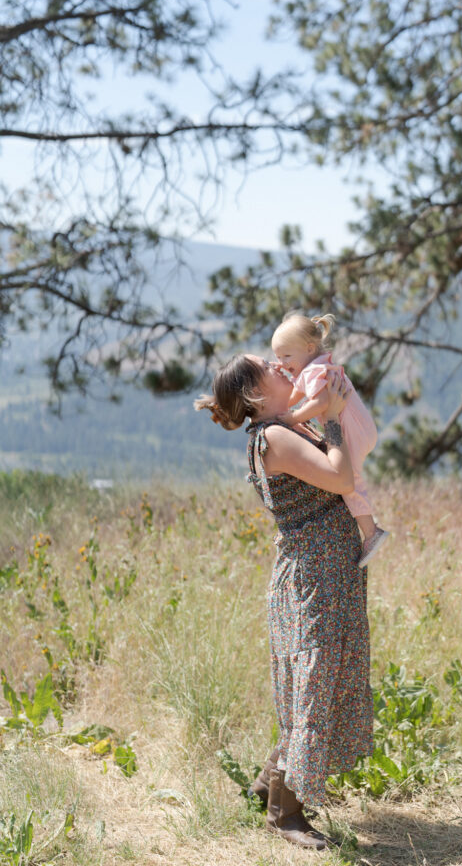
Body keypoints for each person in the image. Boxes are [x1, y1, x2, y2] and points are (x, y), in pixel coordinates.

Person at [194, 355, 373, 851]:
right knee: (311, 685)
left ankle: (267, 786)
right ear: (255, 392)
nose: (280, 363)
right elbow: (340, 478)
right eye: (267, 364)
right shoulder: (273, 436)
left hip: (322, 572)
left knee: (310, 685)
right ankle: (285, 812)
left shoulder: (277, 428)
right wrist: (333, 416)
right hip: (314, 577)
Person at [271, 311, 389, 567]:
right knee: (350, 475)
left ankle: (371, 532)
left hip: (351, 430)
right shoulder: (314, 366)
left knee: (350, 480)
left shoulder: (313, 371)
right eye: (277, 357)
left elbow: (322, 401)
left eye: (286, 356)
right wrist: (282, 408)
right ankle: (370, 530)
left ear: (309, 348)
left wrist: (292, 419)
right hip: (360, 426)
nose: (281, 363)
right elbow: (292, 396)